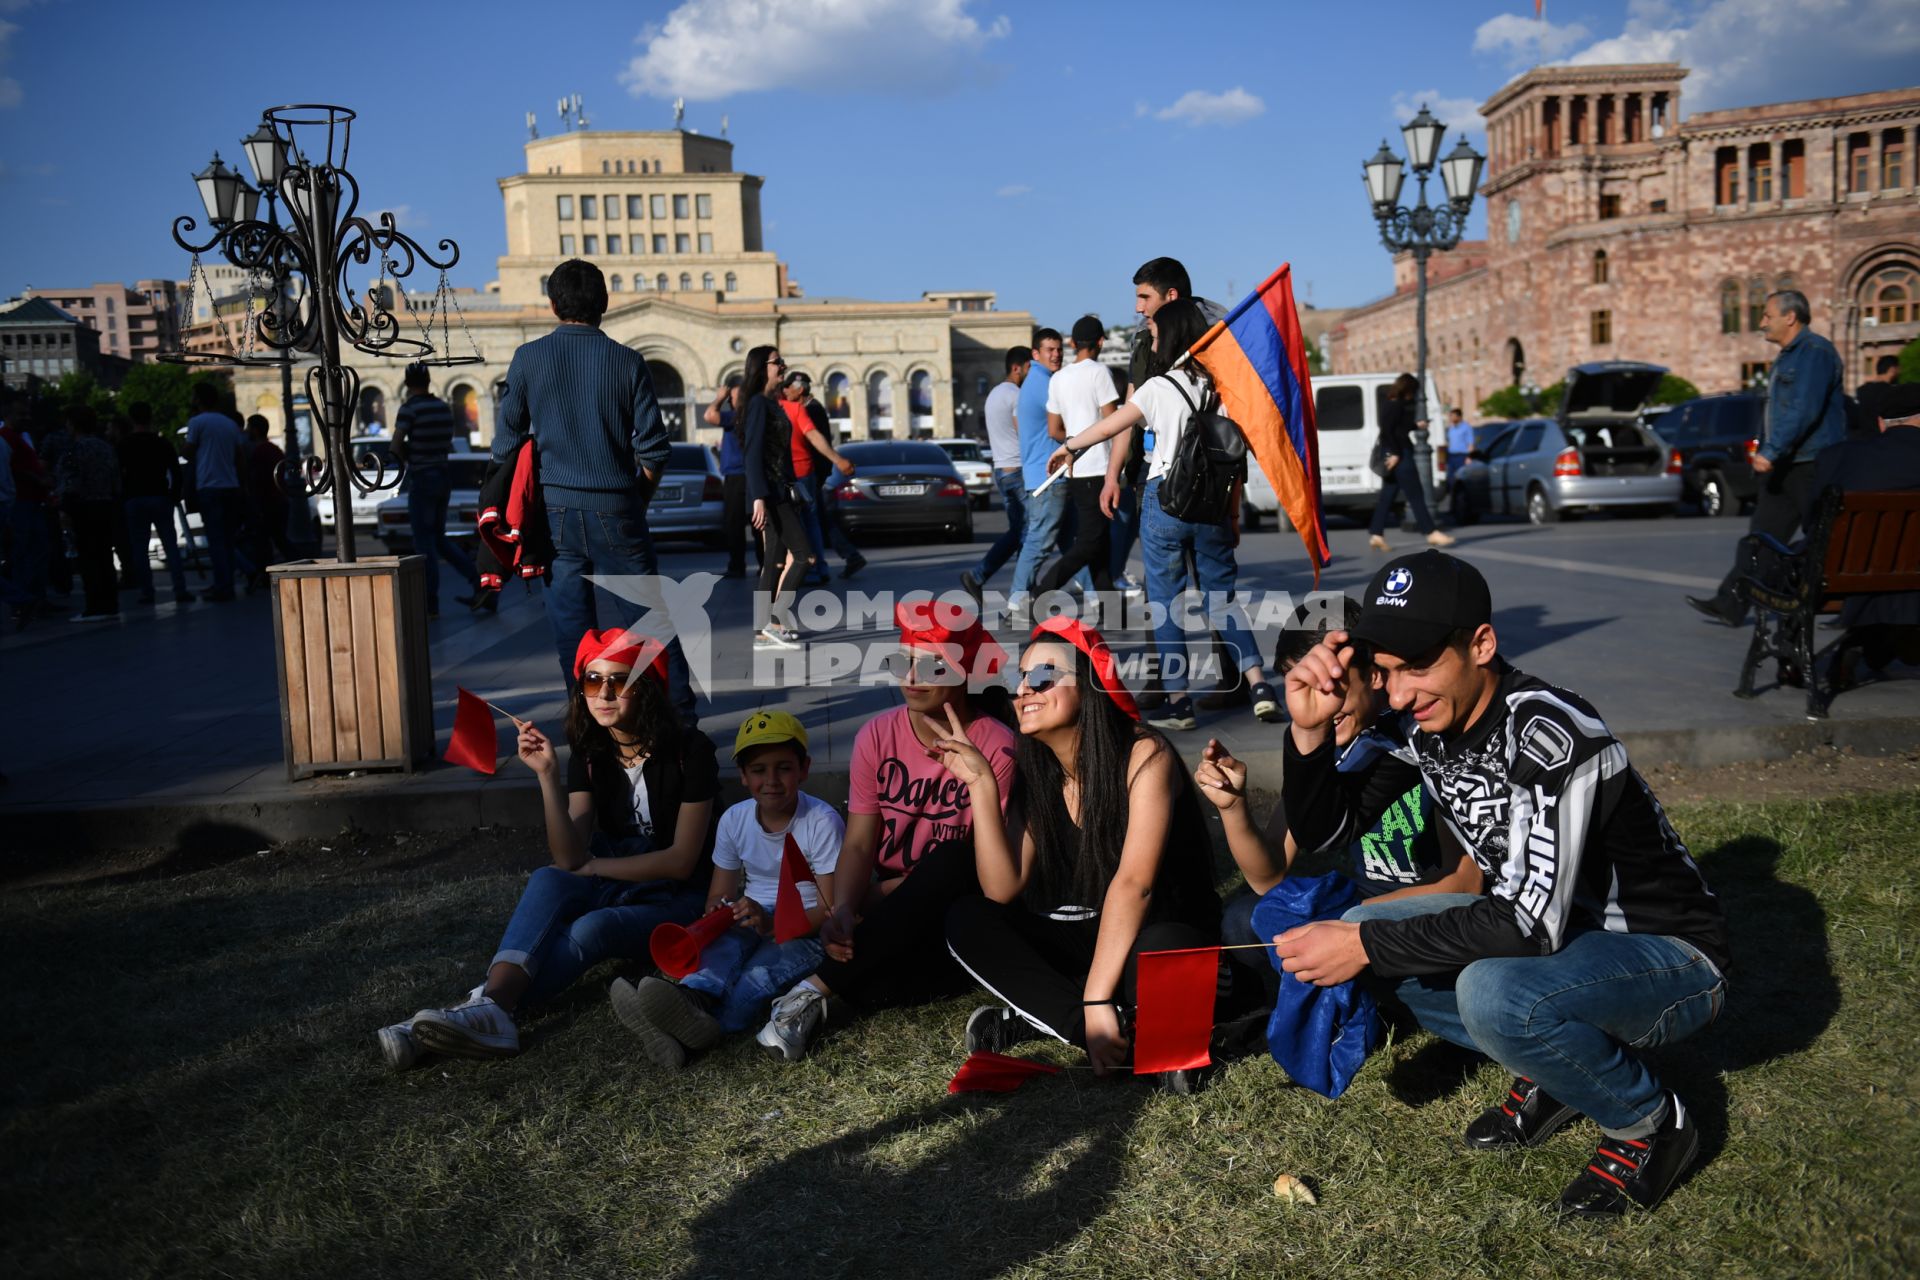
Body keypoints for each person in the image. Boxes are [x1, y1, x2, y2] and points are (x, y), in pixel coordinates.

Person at [1276, 550, 1728, 1217]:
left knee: (1488, 990)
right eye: (1386, 672)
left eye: (1419, 666)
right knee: (1368, 929)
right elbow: (1325, 833)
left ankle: (1653, 1123)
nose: (1398, 695)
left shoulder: (1552, 732)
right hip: (1564, 943)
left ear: (1482, 643)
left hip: (1668, 957)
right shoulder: (1419, 723)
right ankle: (1557, 1070)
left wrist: (1367, 948)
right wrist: (1308, 731)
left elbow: (1529, 925)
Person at [383, 630, 719, 1068]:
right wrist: (546, 775)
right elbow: (568, 857)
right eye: (593, 681)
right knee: (547, 877)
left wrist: (595, 866)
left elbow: (681, 862)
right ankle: (487, 1011)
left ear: (647, 689)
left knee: (593, 928)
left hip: (681, 899)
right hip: (620, 879)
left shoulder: (691, 750)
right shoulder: (592, 749)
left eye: (620, 681)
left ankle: (476, 1011)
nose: (605, 693)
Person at [938, 618, 1223, 1091]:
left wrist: (1095, 995)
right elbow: (1001, 888)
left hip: (1159, 932)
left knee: (1164, 948)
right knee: (968, 917)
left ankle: (1085, 1018)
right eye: (1019, 680)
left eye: (1043, 677)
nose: (1024, 690)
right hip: (1091, 940)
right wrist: (981, 785)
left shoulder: (1144, 753)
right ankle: (1086, 1030)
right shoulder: (1037, 769)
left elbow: (1136, 884)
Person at [755, 603, 1018, 1061]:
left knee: (953, 859)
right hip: (889, 907)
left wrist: (873, 899)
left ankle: (808, 993)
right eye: (903, 660)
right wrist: (843, 908)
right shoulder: (876, 735)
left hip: (958, 907)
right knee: (872, 983)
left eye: (933, 663)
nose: (913, 675)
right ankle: (780, 997)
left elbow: (978, 867)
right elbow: (859, 842)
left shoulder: (997, 745)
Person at [1196, 595, 1482, 1005]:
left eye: (1331, 685)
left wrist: (1348, 931)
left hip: (1430, 916)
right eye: (1303, 687)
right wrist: (1232, 807)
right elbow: (1269, 876)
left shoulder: (1420, 737)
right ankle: (1365, 993)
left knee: (1467, 975)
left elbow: (1464, 883)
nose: (1320, 703)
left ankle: (1371, 995)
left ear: (1374, 675)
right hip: (1365, 903)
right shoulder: (1316, 733)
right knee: (1245, 919)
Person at [1042, 299, 1281, 729]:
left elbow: (1113, 426)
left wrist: (1070, 446)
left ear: (1168, 338)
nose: (1151, 339)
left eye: (1154, 334)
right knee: (1222, 598)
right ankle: (1260, 683)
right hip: (1211, 505)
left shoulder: (1156, 387)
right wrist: (1232, 514)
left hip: (1164, 501)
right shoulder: (1219, 387)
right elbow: (1233, 455)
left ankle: (1178, 702)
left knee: (1167, 605)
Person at [494, 258, 693, 723]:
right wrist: (633, 501)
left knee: (571, 628)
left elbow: (505, 444)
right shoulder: (628, 361)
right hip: (617, 507)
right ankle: (682, 721)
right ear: (604, 304)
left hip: (554, 512)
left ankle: (586, 727)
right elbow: (655, 451)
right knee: (651, 622)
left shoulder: (528, 358)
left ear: (551, 305)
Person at [609, 710, 842, 1070]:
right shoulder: (735, 819)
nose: (772, 780)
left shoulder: (822, 822)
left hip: (806, 930)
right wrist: (720, 913)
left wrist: (771, 925)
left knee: (757, 977)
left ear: (804, 769)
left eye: (784, 768)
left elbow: (831, 909)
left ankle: (688, 1031)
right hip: (754, 916)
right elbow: (718, 895)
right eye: (759, 770)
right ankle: (692, 999)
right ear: (744, 777)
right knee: (724, 947)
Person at [1687, 288, 1847, 625]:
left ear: (1790, 317)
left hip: (1811, 463)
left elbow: (1803, 410)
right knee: (1762, 535)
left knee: (1822, 539)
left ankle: (1846, 602)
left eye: (1767, 316)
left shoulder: (1814, 353)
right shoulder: (1789, 355)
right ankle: (1730, 603)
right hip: (1789, 464)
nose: (1761, 323)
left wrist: (1771, 450)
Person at [1126, 258, 1231, 711]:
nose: (1137, 309)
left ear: (1171, 299)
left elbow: (1227, 439)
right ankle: (1172, 681)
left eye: (1144, 298)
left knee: (1183, 591)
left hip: (1185, 486)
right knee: (1182, 588)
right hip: (1164, 479)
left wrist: (1235, 506)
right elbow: (1131, 416)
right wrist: (1115, 475)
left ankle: (1195, 686)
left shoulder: (1217, 343)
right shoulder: (1144, 342)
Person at [1815, 383, 1920, 683]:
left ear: (1880, 422)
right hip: (1911, 575)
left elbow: (1813, 523)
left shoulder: (1839, 456)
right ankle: (1875, 643)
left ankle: (1796, 656)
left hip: (1843, 574)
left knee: (1763, 551)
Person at [1034, 316, 1122, 606]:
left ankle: (1111, 609)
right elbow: (1113, 422)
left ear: (1072, 343)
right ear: (1100, 342)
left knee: (1101, 542)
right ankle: (1045, 589)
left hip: (1076, 468)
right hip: (1101, 467)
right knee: (1090, 542)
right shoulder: (1100, 373)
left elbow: (1053, 429)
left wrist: (1072, 444)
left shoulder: (1058, 378)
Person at [740, 345, 816, 649]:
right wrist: (758, 496)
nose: (783, 366)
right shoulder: (758, 404)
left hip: (779, 489)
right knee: (803, 556)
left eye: (783, 361)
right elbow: (752, 452)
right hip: (770, 493)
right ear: (762, 368)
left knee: (773, 559)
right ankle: (772, 620)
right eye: (777, 363)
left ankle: (764, 628)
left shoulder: (771, 402)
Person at [392, 363, 482, 616]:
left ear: (408, 384)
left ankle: (430, 601)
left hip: (422, 478)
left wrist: (404, 455)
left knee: (423, 543)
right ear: (429, 380)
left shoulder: (409, 409)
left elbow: (396, 444)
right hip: (443, 477)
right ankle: (478, 582)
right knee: (440, 540)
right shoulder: (442, 408)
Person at [960, 345, 1031, 602]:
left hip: (1002, 470)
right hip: (1019, 471)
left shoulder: (993, 394)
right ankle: (1023, 593)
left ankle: (978, 576)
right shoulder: (1016, 395)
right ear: (1016, 368)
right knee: (1031, 534)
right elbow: (1023, 432)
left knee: (1017, 532)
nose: (1031, 374)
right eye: (1029, 368)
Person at [781, 370, 865, 584]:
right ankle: (843, 558)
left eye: (788, 387)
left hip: (810, 472)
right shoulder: (807, 407)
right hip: (813, 471)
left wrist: (827, 467)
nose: (785, 391)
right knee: (817, 519)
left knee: (811, 521)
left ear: (799, 390)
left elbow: (816, 441)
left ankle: (820, 566)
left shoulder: (811, 409)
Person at [1007, 328, 1066, 618]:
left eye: (1058, 349)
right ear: (1035, 354)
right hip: (1049, 476)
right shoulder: (1046, 384)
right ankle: (1017, 600)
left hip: (1040, 473)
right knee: (1040, 540)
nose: (1056, 354)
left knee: (1073, 541)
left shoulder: (1032, 383)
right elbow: (1065, 423)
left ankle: (1095, 596)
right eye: (1049, 350)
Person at [1367, 373, 1453, 552]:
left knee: (1388, 495)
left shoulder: (1390, 402)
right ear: (1408, 390)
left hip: (1394, 451)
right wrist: (1396, 454)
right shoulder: (1396, 405)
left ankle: (1376, 534)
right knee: (1415, 494)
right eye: (1413, 391)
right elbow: (1388, 431)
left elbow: (1397, 427)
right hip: (1400, 454)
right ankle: (1430, 532)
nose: (1413, 395)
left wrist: (1416, 425)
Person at [183, 382, 253, 602]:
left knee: (215, 541)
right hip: (231, 487)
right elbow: (239, 458)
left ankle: (223, 586)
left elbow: (187, 452)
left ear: (198, 400)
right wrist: (243, 486)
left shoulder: (197, 422)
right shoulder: (229, 424)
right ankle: (235, 578)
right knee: (228, 540)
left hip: (209, 488)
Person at [119, 401, 192, 606]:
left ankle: (146, 592)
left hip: (134, 498)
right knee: (171, 545)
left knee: (139, 549)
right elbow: (176, 471)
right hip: (160, 496)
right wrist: (174, 494)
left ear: (132, 419)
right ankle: (180, 589)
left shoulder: (124, 445)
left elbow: (118, 474)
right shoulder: (162, 443)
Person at [55, 406, 121, 623]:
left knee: (88, 558)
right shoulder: (105, 447)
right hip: (106, 504)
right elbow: (115, 479)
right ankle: (110, 603)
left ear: (73, 425)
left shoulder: (74, 450)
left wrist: (64, 508)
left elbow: (70, 482)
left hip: (84, 507)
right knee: (104, 555)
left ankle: (94, 605)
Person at [705, 375, 756, 579]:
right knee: (755, 523)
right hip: (746, 475)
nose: (731, 402)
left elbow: (709, 415)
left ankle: (737, 566)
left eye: (733, 398)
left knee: (735, 524)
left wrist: (718, 398)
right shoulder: (748, 415)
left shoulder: (737, 417)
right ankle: (762, 565)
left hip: (738, 476)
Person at [1848, 354, 1902, 441]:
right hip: (1884, 442)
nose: (1899, 373)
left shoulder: (1861, 390)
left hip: (1862, 442)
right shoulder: (1892, 392)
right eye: (1898, 369)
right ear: (1892, 369)